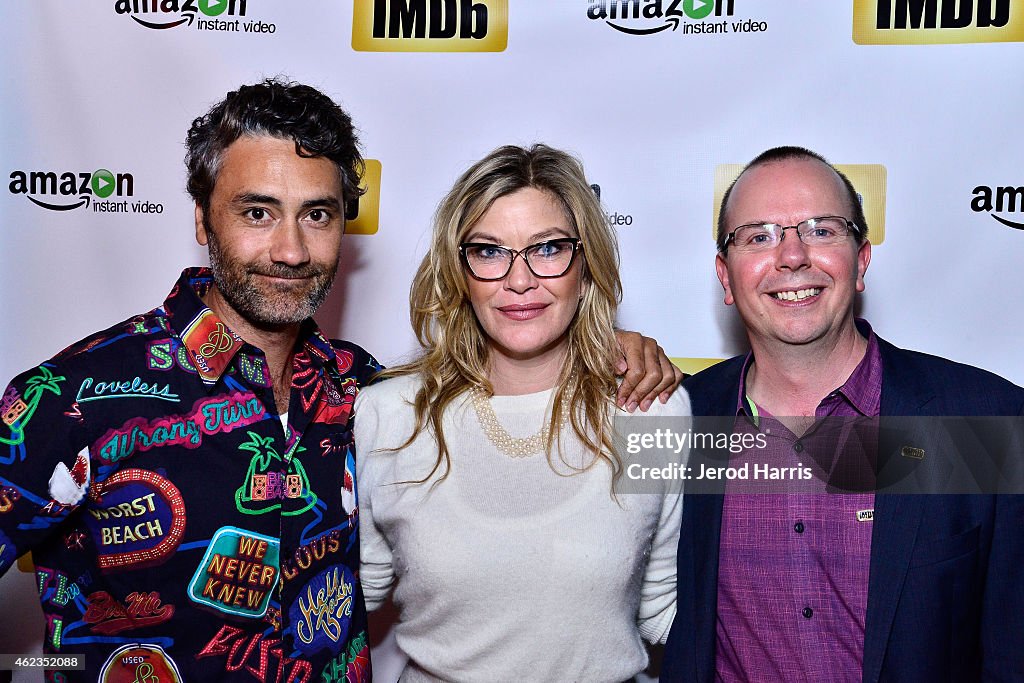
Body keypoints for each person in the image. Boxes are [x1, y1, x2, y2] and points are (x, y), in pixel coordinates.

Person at [0, 81, 679, 682]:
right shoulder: (73, 396)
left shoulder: (362, 392)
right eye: (257, 212)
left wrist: (603, 346)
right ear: (204, 218)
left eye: (317, 214)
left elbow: (501, 386)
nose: (292, 248)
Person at [660, 146, 1024, 681]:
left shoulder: (984, 420)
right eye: (758, 236)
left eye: (821, 230)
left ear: (862, 260)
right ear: (725, 275)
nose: (791, 256)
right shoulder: (683, 421)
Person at [354, 143, 691, 682]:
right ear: (458, 270)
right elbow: (343, 604)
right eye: (489, 252)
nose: (519, 280)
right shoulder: (387, 413)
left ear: (587, 263)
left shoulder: (652, 410)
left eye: (548, 248)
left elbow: (664, 605)